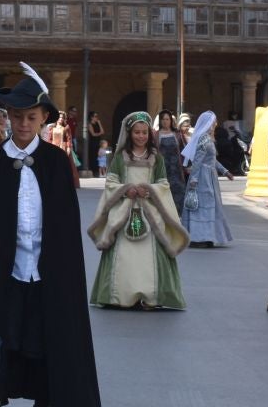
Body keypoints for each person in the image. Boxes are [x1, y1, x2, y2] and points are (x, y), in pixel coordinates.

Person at [0, 64, 99, 407]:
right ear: (8, 118)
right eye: (17, 117)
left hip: (46, 273)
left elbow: (66, 228)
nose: (23, 124)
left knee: (44, 344)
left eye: (31, 117)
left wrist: (67, 275)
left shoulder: (56, 163)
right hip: (1, 273)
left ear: (42, 120)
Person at [88, 112, 190, 310]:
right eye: (137, 132)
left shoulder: (156, 158)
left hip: (149, 210)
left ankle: (152, 297)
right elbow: (111, 182)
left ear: (149, 134)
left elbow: (163, 182)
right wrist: (127, 190)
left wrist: (149, 190)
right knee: (123, 254)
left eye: (144, 132)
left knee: (153, 252)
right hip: (124, 210)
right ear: (130, 133)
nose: (141, 136)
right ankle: (119, 296)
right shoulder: (119, 158)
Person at [180, 111, 234, 249]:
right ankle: (200, 237)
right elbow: (197, 161)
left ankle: (208, 236)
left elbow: (212, 160)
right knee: (202, 207)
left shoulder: (208, 139)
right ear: (208, 123)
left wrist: (225, 171)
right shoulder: (204, 139)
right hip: (202, 178)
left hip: (210, 176)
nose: (215, 124)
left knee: (210, 207)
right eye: (214, 121)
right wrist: (194, 179)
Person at [155, 111, 188, 213]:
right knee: (162, 193)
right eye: (163, 119)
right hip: (162, 169)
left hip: (177, 170)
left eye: (167, 119)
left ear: (171, 121)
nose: (165, 122)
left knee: (178, 193)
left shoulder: (177, 134)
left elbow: (185, 151)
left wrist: (187, 166)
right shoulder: (156, 135)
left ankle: (179, 217)